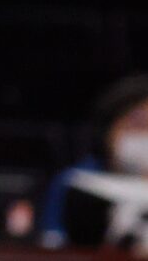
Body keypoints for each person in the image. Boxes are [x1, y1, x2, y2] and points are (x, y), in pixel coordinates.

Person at [37, 73, 148, 251]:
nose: (144, 136)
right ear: (108, 130)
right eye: (138, 124)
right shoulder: (76, 185)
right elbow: (54, 246)